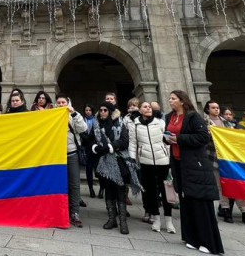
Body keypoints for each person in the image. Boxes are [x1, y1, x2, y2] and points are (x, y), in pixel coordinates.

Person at [165, 90, 223, 255]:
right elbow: (170, 135)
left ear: (182, 101)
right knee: (186, 200)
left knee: (199, 202)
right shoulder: (170, 116)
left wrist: (179, 138)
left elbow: (203, 137)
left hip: (194, 163)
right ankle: (191, 238)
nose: (170, 101)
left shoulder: (193, 116)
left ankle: (208, 241)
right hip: (178, 162)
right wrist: (166, 138)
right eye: (169, 98)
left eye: (173, 98)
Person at [91, 100, 139, 235]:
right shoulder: (96, 124)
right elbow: (92, 139)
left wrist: (112, 146)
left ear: (111, 111)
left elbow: (125, 140)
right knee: (109, 190)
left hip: (119, 160)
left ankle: (123, 222)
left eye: (105, 110)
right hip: (104, 161)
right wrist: (96, 147)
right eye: (100, 110)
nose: (102, 112)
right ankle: (111, 219)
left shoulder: (121, 122)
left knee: (120, 189)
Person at [204, 101, 245, 226]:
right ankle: (225, 209)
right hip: (214, 157)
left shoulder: (227, 122)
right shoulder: (204, 123)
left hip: (229, 159)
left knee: (236, 184)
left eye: (217, 107)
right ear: (207, 109)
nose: (216, 109)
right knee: (220, 186)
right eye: (213, 108)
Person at [129, 100, 175, 233]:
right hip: (145, 161)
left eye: (149, 107)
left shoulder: (160, 122)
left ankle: (168, 220)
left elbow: (167, 141)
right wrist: (132, 159)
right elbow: (133, 143)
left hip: (163, 161)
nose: (148, 108)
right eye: (145, 107)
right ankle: (156, 218)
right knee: (151, 192)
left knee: (166, 190)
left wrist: (169, 157)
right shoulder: (135, 125)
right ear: (140, 110)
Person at [55, 94, 87, 227]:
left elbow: (83, 128)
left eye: (63, 102)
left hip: (71, 153)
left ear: (68, 103)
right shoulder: (52, 115)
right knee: (59, 184)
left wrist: (74, 114)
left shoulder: (74, 115)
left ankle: (74, 212)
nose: (61, 104)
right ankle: (60, 211)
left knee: (74, 184)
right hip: (55, 155)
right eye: (59, 102)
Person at [80, 104, 97, 198]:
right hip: (86, 147)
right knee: (88, 169)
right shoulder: (81, 120)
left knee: (98, 169)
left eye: (89, 110)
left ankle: (102, 189)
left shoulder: (96, 120)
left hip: (96, 147)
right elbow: (81, 132)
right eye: (86, 110)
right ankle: (91, 188)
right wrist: (87, 139)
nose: (88, 111)